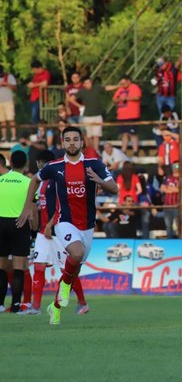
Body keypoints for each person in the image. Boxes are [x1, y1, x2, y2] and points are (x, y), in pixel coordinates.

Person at [16, 126, 118, 325]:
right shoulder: (54, 166)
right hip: (65, 222)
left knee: (75, 267)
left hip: (87, 225)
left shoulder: (93, 164)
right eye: (68, 139)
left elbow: (114, 188)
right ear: (63, 143)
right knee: (77, 254)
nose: (71, 142)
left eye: (75, 139)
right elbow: (34, 180)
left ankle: (54, 306)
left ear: (82, 142)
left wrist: (99, 181)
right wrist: (27, 207)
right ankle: (63, 289)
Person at [29, 150, 88, 315]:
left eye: (41, 162)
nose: (39, 165)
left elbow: (64, 204)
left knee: (67, 271)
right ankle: (35, 307)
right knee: (39, 266)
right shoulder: (40, 182)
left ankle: (82, 303)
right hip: (43, 232)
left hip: (59, 230)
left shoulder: (57, 180)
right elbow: (36, 203)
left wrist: (51, 223)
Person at [0, 151, 32, 313]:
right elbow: (34, 207)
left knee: (1, 266)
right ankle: (16, 306)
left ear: (10, 163)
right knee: (19, 267)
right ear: (25, 164)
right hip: (20, 223)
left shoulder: (0, 180)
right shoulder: (28, 182)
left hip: (0, 222)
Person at [113, 76, 142, 156]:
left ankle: (135, 151)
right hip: (121, 116)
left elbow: (137, 97)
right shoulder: (120, 89)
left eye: (124, 83)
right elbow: (115, 99)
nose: (123, 85)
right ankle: (123, 151)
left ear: (128, 81)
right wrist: (120, 99)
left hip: (132, 115)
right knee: (124, 134)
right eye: (121, 83)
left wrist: (126, 98)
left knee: (133, 134)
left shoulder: (134, 87)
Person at [161, 163, 182, 239]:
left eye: (177, 168)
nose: (175, 169)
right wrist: (171, 189)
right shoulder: (168, 177)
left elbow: (178, 189)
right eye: (174, 168)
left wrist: (168, 188)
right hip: (167, 205)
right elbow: (162, 188)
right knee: (168, 225)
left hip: (176, 205)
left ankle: (180, 240)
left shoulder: (180, 178)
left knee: (178, 224)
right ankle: (170, 239)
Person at [28, 60, 51, 124]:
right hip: (33, 97)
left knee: (36, 114)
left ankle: (37, 129)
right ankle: (36, 129)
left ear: (39, 68)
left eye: (35, 70)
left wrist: (34, 85)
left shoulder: (45, 73)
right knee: (34, 115)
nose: (34, 71)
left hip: (40, 97)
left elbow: (45, 83)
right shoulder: (35, 75)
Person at [0, 64, 17, 142]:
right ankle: (4, 137)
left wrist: (7, 84)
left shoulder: (9, 77)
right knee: (2, 121)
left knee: (11, 119)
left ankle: (13, 137)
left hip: (8, 101)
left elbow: (15, 88)